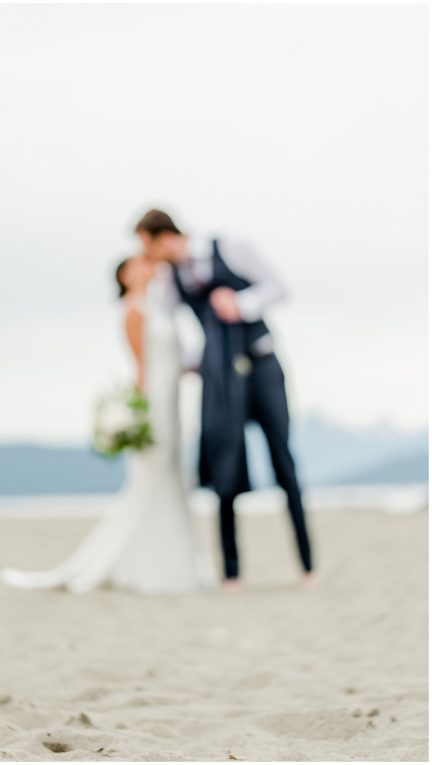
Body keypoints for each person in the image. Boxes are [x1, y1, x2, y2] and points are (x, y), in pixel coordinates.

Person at [0, 254, 213, 594]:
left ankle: (170, 563)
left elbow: (176, 357)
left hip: (173, 401)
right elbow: (141, 365)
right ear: (126, 275)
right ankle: (136, 567)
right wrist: (140, 411)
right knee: (150, 482)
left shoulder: (158, 306)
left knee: (171, 479)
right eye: (140, 264)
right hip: (155, 403)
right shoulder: (132, 310)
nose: (149, 266)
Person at [135, 209, 314, 589]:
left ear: (164, 237)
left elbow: (279, 287)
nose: (149, 257)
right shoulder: (173, 279)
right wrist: (190, 363)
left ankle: (307, 566)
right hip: (218, 380)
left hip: (262, 366)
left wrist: (241, 303)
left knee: (283, 461)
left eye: (147, 247)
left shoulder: (231, 247)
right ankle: (232, 574)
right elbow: (168, 330)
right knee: (224, 466)